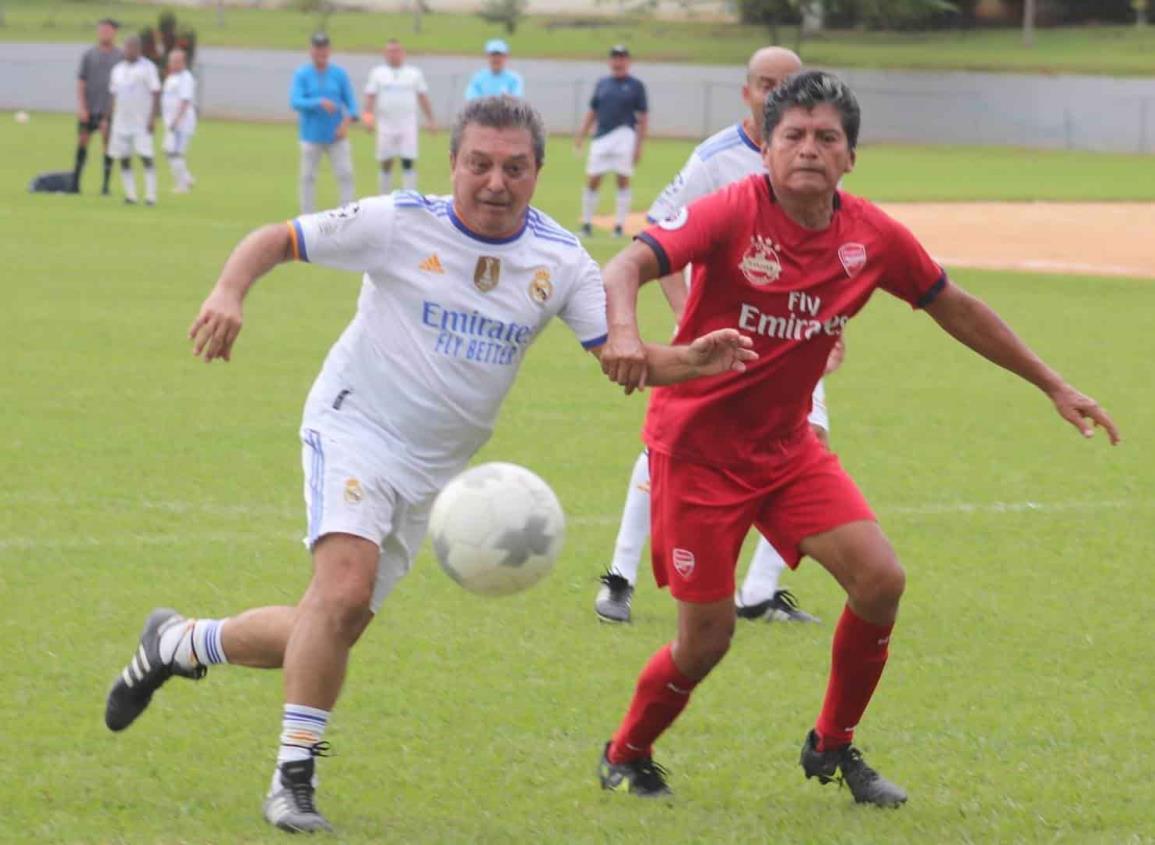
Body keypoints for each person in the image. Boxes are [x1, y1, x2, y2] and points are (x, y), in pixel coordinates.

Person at [101, 95, 754, 835]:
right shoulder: (399, 221)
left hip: (435, 471)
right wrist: (228, 290)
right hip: (354, 425)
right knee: (340, 594)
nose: (495, 182)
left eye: (513, 167)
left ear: (538, 171)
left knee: (328, 627)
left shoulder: (561, 261)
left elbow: (622, 358)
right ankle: (293, 778)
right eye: (478, 164)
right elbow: (275, 238)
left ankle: (178, 641)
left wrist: (690, 361)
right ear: (454, 164)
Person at [596, 70, 1119, 805]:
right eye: (793, 136)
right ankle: (626, 751)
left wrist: (1053, 383)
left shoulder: (871, 235)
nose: (808, 149)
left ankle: (831, 743)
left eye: (826, 138)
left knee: (880, 580)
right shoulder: (728, 212)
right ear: (767, 150)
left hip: (785, 448)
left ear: (849, 156)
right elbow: (626, 262)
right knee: (705, 640)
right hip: (698, 453)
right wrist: (624, 331)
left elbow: (955, 307)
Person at [595, 47, 823, 626]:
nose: (776, 95)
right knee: (664, 446)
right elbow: (658, 235)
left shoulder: (810, 158)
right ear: (746, 91)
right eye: (765, 84)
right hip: (715, 341)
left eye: (788, 85)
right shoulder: (714, 159)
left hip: (790, 339)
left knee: (808, 440)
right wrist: (687, 316)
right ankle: (620, 576)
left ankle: (759, 592)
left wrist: (827, 322)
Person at [573, 45, 648, 238]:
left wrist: (639, 145)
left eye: (622, 57)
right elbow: (593, 110)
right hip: (601, 138)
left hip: (625, 137)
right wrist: (581, 134)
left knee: (622, 180)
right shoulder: (602, 83)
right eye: (615, 57)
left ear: (628, 61)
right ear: (610, 61)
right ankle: (587, 224)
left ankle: (618, 226)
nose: (618, 61)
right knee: (592, 180)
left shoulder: (636, 86)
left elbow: (643, 116)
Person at [291, 32, 359, 214]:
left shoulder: (339, 74)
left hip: (336, 135)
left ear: (329, 50)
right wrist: (318, 102)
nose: (321, 52)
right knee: (308, 177)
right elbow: (296, 101)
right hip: (311, 136)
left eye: (324, 48)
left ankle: (346, 212)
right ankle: (307, 214)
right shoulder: (302, 74)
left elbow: (352, 104)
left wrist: (346, 123)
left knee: (345, 174)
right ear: (311, 50)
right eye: (317, 48)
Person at [362, 38, 436, 194]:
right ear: (385, 54)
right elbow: (370, 97)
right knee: (385, 160)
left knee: (408, 159)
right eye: (389, 51)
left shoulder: (414, 73)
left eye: (396, 51)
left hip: (407, 123)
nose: (393, 55)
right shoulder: (377, 73)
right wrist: (368, 117)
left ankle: (410, 196)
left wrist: (430, 119)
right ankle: (384, 196)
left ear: (403, 53)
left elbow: (422, 97)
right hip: (385, 124)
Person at [107, 35, 161, 206]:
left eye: (132, 48)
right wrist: (108, 118)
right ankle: (131, 195)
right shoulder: (117, 69)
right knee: (124, 158)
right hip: (121, 122)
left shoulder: (148, 68)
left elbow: (155, 92)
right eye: (126, 47)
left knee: (146, 157)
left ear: (138, 49)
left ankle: (150, 196)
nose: (128, 51)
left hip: (141, 122)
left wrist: (152, 118)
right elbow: (113, 95)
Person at [74, 18, 122, 195]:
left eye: (108, 30)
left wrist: (112, 112)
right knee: (82, 142)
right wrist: (82, 107)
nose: (104, 33)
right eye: (101, 30)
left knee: (107, 145)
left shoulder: (120, 56)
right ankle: (75, 183)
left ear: (114, 33)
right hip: (89, 108)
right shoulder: (88, 55)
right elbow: (81, 81)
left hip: (108, 110)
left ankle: (105, 186)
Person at [161, 49, 197, 194]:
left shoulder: (185, 78)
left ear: (183, 62)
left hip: (182, 123)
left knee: (175, 153)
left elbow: (185, 100)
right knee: (168, 151)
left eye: (177, 61)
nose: (173, 64)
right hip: (171, 122)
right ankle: (187, 178)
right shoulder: (171, 78)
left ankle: (182, 186)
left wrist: (177, 120)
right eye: (171, 61)